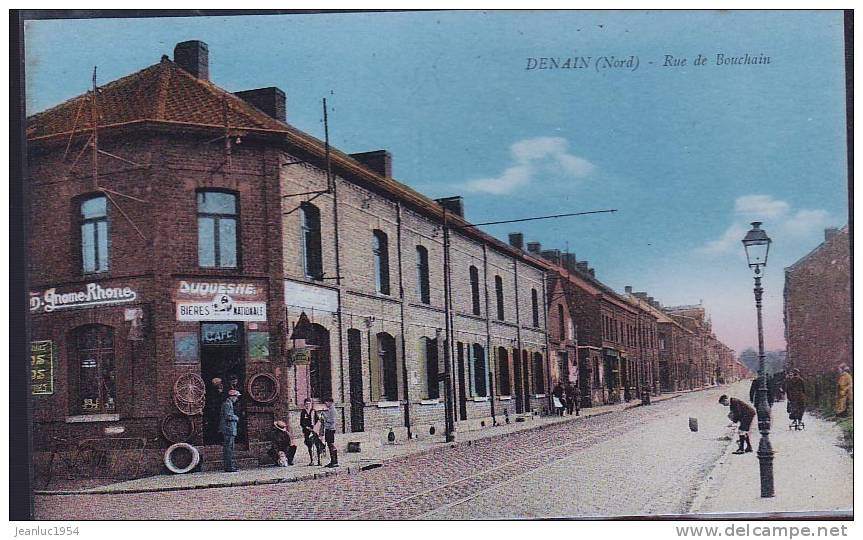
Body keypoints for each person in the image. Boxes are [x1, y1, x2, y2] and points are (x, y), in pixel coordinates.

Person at [219, 389, 241, 472]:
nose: (237, 399)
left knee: (230, 448)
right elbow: (228, 416)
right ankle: (229, 467)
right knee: (229, 449)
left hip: (229, 429)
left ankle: (230, 466)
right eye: (236, 397)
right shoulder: (227, 404)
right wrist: (236, 418)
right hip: (229, 429)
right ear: (232, 397)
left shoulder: (229, 403)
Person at [300, 398, 325, 466]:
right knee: (309, 446)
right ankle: (312, 460)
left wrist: (316, 428)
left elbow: (317, 421)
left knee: (317, 445)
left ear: (310, 404)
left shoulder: (313, 411)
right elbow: (301, 423)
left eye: (309, 404)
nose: (307, 405)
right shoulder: (303, 412)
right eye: (306, 404)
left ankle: (319, 460)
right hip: (307, 432)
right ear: (304, 405)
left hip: (314, 431)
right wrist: (306, 427)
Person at [322, 396, 339, 468]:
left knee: (331, 444)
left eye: (326, 402)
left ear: (330, 402)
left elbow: (332, 420)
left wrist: (324, 417)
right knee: (329, 445)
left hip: (330, 429)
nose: (325, 403)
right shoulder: (329, 409)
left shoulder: (332, 410)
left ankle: (335, 461)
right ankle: (332, 461)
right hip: (328, 429)